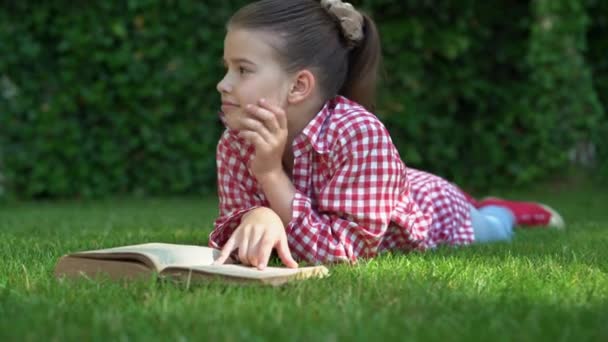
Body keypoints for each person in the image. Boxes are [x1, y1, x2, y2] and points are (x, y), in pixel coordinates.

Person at [209, 0, 564, 269]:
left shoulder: (358, 133)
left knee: (490, 229)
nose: (223, 84)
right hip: (392, 185)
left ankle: (510, 211)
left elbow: (344, 252)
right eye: (227, 68)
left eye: (243, 70)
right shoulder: (237, 141)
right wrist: (255, 216)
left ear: (299, 86)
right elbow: (232, 232)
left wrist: (270, 175)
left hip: (434, 210)